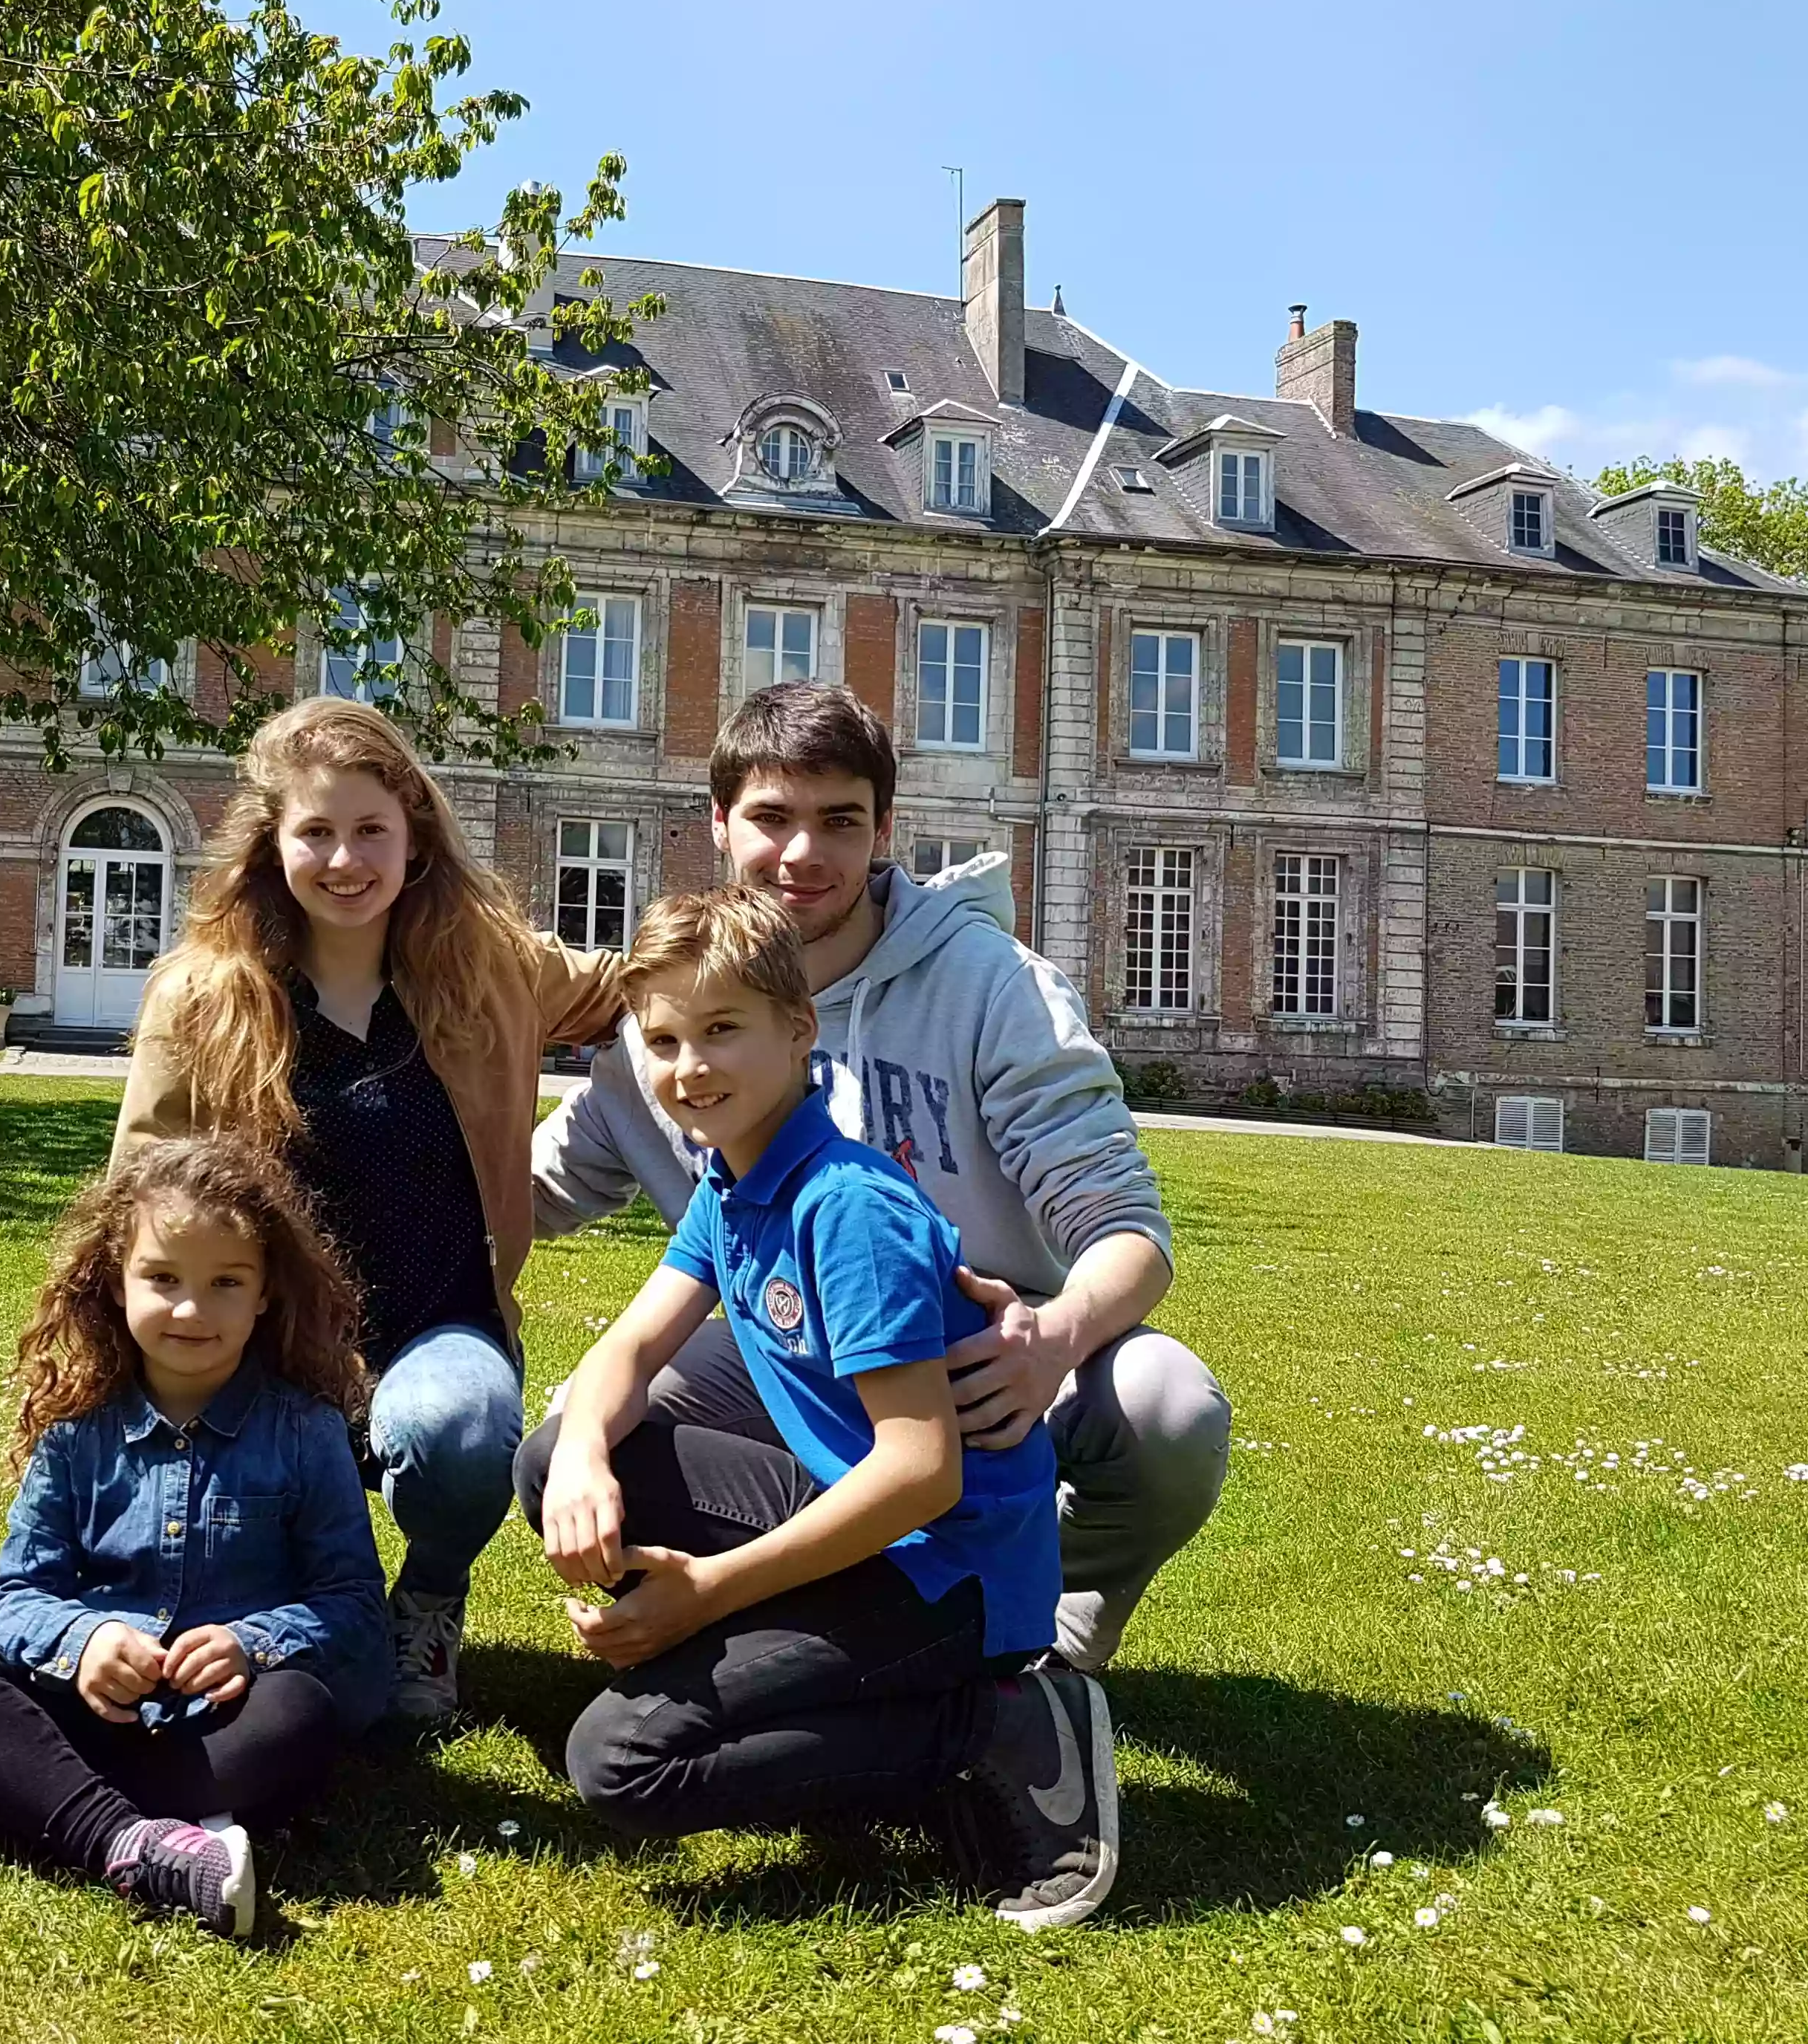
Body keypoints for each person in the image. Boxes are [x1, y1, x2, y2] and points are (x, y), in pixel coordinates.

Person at [530, 681, 1228, 1672]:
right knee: (568, 1441)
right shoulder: (673, 1027)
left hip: (981, 1349)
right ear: (720, 825)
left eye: (839, 821)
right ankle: (830, 1610)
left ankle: (1049, 1619)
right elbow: (524, 1196)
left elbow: (1128, 1232)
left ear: (884, 830)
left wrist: (1051, 1340)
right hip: (787, 1346)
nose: (803, 854)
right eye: (771, 818)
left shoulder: (994, 986)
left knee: (1169, 1407)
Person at [522, 886, 1117, 1930]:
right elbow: (631, 1344)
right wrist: (578, 1453)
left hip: (949, 1574)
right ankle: (811, 1670)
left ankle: (993, 1727)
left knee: (620, 1765)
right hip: (865, 1515)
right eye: (661, 1040)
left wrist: (706, 1592)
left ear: (798, 1032)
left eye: (721, 1031)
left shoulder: (847, 1211)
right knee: (555, 1460)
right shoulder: (732, 1179)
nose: (688, 1067)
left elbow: (923, 1472)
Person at [115, 695, 624, 1719]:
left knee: (461, 1433)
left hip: (443, 1324)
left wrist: (818, 952)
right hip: (271, 1339)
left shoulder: (492, 967)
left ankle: (430, 1600)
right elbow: (143, 1185)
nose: (344, 861)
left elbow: (646, 984)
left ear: (414, 838)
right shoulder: (206, 996)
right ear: (273, 843)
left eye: (370, 831)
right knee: (284, 1671)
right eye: (316, 832)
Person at [0, 1135, 388, 1941]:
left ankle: (4, 1808)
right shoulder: (77, 1432)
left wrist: (252, 1644)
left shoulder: (305, 1431)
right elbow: (15, 1598)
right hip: (91, 1710)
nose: (191, 1309)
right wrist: (84, 1642)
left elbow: (355, 1606)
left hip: (225, 1724)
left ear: (266, 1294)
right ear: (115, 1283)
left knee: (301, 1716)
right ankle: (141, 1845)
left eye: (227, 1282)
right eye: (163, 1279)